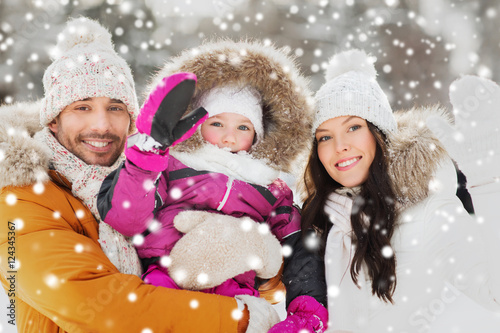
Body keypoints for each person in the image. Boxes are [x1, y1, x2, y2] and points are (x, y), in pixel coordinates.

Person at [0, 17, 263, 332]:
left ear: (131, 119)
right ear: (53, 121)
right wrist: (239, 317)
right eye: (82, 107)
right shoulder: (18, 198)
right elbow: (98, 306)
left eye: (115, 108)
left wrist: (252, 254)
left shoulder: (149, 181)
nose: (101, 125)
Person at [97, 39, 328, 331]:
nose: (229, 137)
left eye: (243, 127)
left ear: (257, 135)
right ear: (196, 124)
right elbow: (126, 218)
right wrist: (148, 156)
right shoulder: (171, 163)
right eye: (217, 123)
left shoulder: (270, 186)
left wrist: (308, 312)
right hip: (167, 276)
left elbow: (300, 249)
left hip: (234, 289)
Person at [300, 49, 500, 332]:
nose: (339, 146)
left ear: (379, 132)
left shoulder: (431, 214)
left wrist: (488, 185)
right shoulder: (316, 222)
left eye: (354, 127)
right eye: (325, 137)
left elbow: (495, 295)